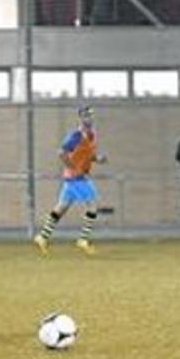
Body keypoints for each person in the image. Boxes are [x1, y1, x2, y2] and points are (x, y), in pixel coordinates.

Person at [33, 105, 107, 256]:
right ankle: (83, 240)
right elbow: (61, 152)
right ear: (80, 118)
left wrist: (97, 159)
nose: (89, 118)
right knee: (92, 205)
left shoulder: (91, 135)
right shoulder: (76, 135)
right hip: (77, 178)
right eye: (86, 116)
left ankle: (42, 237)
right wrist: (72, 167)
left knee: (61, 207)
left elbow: (86, 155)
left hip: (72, 179)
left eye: (91, 116)